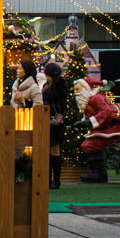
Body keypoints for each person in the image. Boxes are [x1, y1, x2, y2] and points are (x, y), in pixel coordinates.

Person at [78, 76, 120, 183]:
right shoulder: (88, 99)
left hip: (109, 128)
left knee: (90, 145)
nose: (76, 92)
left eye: (78, 89)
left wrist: (89, 122)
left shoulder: (95, 98)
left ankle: (99, 174)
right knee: (87, 145)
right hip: (102, 127)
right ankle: (97, 173)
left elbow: (106, 111)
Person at [40, 61, 69, 190]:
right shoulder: (48, 85)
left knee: (54, 149)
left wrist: (49, 106)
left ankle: (56, 180)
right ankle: (49, 179)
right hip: (48, 120)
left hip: (55, 122)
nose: (47, 77)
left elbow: (61, 104)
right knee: (49, 150)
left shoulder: (59, 86)